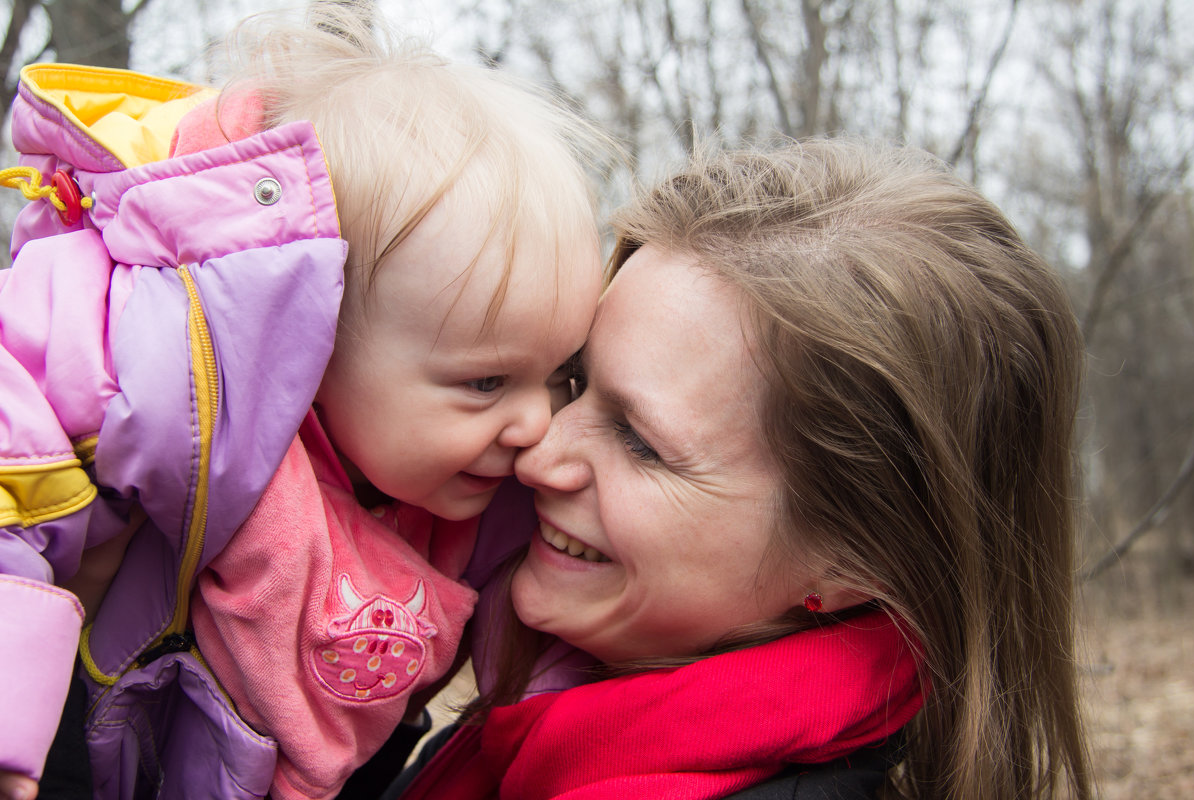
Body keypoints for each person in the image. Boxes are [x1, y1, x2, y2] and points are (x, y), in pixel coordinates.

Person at [0, 4, 608, 799]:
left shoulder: (489, 501)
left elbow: (539, 647)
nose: (537, 426)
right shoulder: (162, 362)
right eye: (486, 382)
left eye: (559, 374)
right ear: (312, 341)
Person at [389, 138, 1093, 800]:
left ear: (854, 563)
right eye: (571, 381)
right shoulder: (561, 710)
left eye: (640, 442)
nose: (540, 454)